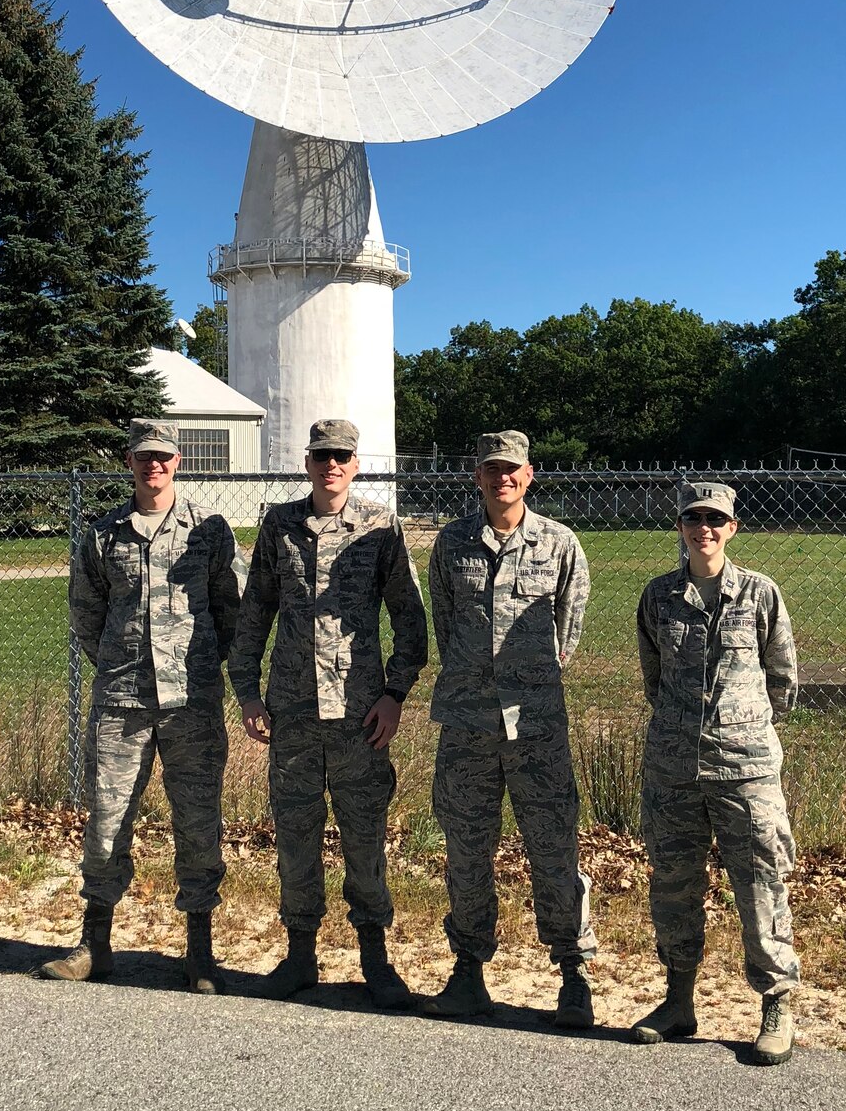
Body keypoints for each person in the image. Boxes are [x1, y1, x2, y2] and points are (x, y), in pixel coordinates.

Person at [229, 419, 429, 1009]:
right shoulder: (279, 525)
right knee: (295, 833)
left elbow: (409, 618)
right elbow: (255, 612)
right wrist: (246, 691)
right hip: (291, 710)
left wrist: (395, 693)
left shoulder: (380, 527)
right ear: (307, 462)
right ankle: (299, 954)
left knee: (364, 833)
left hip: (359, 713)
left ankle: (375, 957)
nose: (331, 465)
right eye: (321, 455)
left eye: (341, 455)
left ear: (356, 463)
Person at [42, 418, 244, 991]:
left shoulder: (208, 531)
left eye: (162, 457)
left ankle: (200, 950)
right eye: (142, 457)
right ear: (128, 462)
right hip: (122, 701)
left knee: (198, 824)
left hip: (191, 703)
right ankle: (94, 943)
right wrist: (117, 662)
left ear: (177, 462)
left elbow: (231, 609)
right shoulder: (103, 533)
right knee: (106, 823)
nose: (153, 466)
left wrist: (201, 661)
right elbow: (86, 614)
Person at [424, 430, 597, 1028]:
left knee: (554, 847)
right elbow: (444, 623)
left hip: (537, 727)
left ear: (529, 475)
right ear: (477, 476)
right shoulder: (451, 544)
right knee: (467, 850)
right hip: (467, 724)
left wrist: (532, 677)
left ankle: (573, 974)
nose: (503, 478)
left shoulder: (560, 543)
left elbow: (567, 631)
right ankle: (468, 970)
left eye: (513, 469)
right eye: (492, 468)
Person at [632, 480, 800, 1065]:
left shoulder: (759, 594)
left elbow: (782, 679)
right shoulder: (658, 597)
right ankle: (678, 1000)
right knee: (674, 886)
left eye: (715, 519)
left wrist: (742, 727)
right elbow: (653, 677)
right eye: (693, 518)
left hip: (745, 768)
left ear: (732, 527)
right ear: (679, 526)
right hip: (674, 767)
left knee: (760, 885)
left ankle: (775, 1003)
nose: (704, 528)